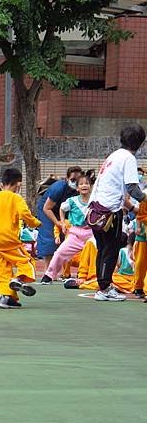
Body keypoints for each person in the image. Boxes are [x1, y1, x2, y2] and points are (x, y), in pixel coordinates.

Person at [89, 124, 147, 301]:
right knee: (111, 248)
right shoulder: (128, 158)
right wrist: (145, 199)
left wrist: (133, 209)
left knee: (103, 248)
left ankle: (103, 285)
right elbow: (133, 189)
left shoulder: (114, 156)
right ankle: (105, 289)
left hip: (96, 209)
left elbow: (118, 190)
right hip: (110, 212)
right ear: (140, 143)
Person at [0, 168, 41, 309]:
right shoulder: (16, 198)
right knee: (27, 262)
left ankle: (6, 298)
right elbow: (24, 213)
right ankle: (18, 279)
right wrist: (35, 223)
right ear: (17, 183)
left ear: (3, 182)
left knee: (3, 272)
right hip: (9, 241)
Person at [41, 174, 92, 284]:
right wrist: (63, 222)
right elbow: (62, 209)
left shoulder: (95, 200)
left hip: (92, 234)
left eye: (87, 183)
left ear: (91, 187)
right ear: (77, 188)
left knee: (99, 255)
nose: (84, 186)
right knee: (60, 252)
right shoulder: (71, 201)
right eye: (81, 184)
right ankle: (49, 275)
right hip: (75, 234)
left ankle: (97, 278)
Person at [36, 166, 83, 269]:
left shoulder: (81, 188)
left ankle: (64, 269)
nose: (75, 182)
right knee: (50, 236)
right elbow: (47, 208)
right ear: (67, 179)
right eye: (73, 180)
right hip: (48, 209)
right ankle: (48, 269)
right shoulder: (59, 187)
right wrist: (57, 222)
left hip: (64, 210)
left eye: (78, 180)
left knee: (67, 236)